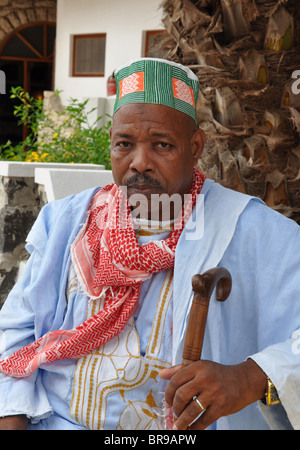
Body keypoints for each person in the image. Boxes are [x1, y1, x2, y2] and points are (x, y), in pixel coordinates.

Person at [0, 57, 299, 431]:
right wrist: (11, 417)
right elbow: (15, 332)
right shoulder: (67, 221)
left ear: (196, 146)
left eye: (161, 145)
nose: (139, 162)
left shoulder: (255, 232)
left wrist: (249, 377)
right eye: (125, 144)